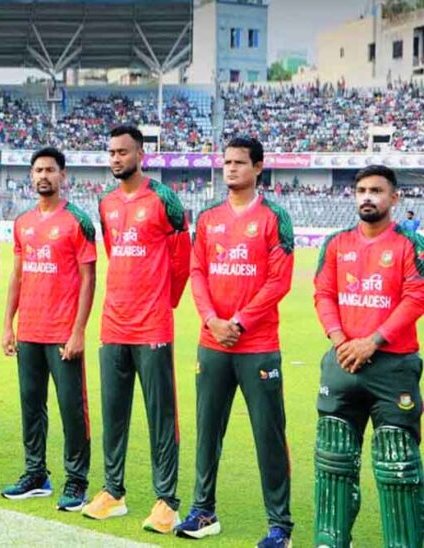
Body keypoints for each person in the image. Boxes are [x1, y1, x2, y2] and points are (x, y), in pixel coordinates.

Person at [181, 136, 294, 547]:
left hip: (257, 345)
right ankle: (203, 511)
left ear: (258, 167)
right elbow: (197, 272)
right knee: (207, 431)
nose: (231, 168)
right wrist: (211, 320)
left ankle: (280, 526)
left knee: (269, 435)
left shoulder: (274, 217)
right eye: (227, 162)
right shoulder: (208, 217)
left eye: (240, 162)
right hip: (212, 343)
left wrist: (240, 322)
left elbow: (279, 281)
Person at [81, 125, 190, 536]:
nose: (116, 158)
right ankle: (113, 492)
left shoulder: (163, 199)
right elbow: (114, 251)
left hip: (152, 324)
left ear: (141, 154)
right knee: (113, 413)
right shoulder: (106, 202)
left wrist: (165, 301)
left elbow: (181, 257)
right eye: (111, 152)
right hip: (113, 323)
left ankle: (167, 502)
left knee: (161, 416)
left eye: (123, 152)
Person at [313, 164, 424, 548]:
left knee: (398, 461)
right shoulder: (336, 243)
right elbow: (323, 294)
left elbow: (416, 297)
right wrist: (340, 339)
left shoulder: (409, 244)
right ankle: (331, 541)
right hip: (342, 361)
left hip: (393, 365)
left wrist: (372, 342)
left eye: (376, 191)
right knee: (333, 457)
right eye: (361, 190)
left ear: (394, 197)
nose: (367, 197)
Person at [0, 146, 96, 512]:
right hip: (29, 332)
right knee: (31, 406)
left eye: (50, 170)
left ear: (63, 176)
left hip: (62, 333)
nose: (44, 176)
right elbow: (17, 276)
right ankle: (36, 474)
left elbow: (88, 279)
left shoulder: (77, 221)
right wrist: (7, 325)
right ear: (31, 176)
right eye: (38, 170)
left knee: (72, 408)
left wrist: (78, 331)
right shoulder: (23, 223)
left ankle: (77, 480)